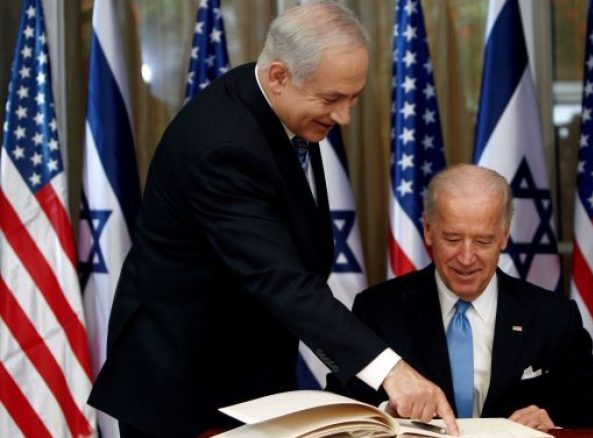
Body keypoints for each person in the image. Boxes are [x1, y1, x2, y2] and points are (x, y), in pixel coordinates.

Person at [88, 3, 457, 437]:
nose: (344, 117)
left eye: (353, 97)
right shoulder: (224, 148)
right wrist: (390, 371)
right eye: (332, 99)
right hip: (183, 388)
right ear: (279, 75)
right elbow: (280, 279)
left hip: (250, 376)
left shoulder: (277, 101)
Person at [327, 164, 593, 431]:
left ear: (504, 236)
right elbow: (337, 413)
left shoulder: (552, 316)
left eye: (483, 241)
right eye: (452, 238)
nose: (466, 257)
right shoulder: (378, 310)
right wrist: (388, 412)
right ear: (428, 230)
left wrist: (552, 421)